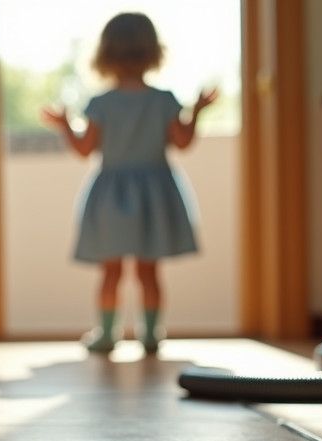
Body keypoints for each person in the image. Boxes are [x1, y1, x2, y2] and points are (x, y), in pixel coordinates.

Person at [41, 12, 216, 355]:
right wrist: (196, 112)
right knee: (149, 272)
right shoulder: (163, 100)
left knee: (111, 272)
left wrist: (64, 124)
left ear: (105, 54)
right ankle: (151, 335)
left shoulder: (101, 104)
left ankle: (107, 335)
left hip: (111, 197)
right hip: (156, 194)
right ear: (153, 52)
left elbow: (84, 148)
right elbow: (182, 142)